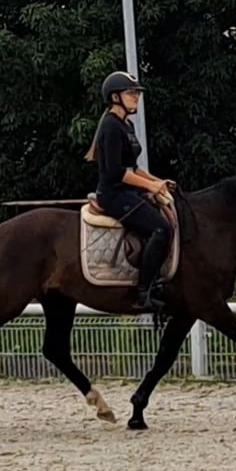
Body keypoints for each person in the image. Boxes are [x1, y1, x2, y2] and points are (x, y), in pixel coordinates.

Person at [84, 71, 174, 310]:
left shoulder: (127, 124)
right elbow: (116, 172)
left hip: (128, 192)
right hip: (114, 194)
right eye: (131, 93)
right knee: (160, 228)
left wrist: (159, 181)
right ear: (115, 97)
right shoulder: (111, 127)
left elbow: (133, 167)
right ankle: (143, 292)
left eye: (136, 93)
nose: (136, 97)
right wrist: (151, 186)